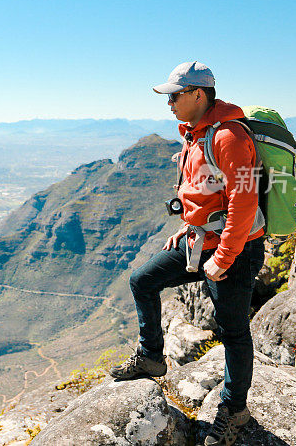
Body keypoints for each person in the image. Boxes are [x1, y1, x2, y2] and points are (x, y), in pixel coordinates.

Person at [109, 61, 265, 446]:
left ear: (198, 94)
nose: (170, 104)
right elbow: (202, 191)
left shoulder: (227, 136)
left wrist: (224, 257)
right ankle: (151, 356)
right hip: (199, 241)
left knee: (232, 332)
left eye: (174, 95)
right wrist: (187, 227)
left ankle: (234, 410)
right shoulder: (196, 134)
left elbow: (243, 203)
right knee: (142, 280)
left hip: (235, 249)